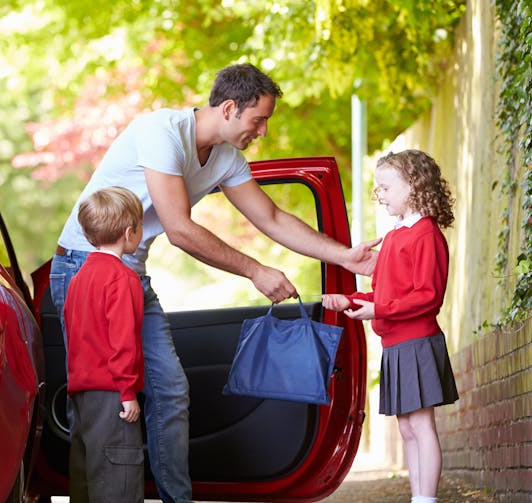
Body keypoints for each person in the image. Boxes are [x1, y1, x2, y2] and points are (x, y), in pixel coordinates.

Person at [51, 62, 380, 502]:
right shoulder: (161, 132)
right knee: (99, 400)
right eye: (258, 119)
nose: (262, 131)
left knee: (170, 390)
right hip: (84, 268)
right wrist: (255, 270)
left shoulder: (226, 159)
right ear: (228, 108)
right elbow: (179, 229)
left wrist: (345, 256)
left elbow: (272, 217)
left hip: (131, 273)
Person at [322, 149, 459, 503]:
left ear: (414, 186)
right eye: (378, 188)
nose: (379, 195)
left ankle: (426, 499)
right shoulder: (396, 235)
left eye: (385, 187)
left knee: (422, 425)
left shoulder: (425, 234)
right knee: (407, 427)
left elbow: (428, 296)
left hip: (418, 341)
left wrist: (377, 307)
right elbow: (385, 292)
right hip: (396, 344)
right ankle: (419, 496)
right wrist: (350, 300)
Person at [63, 186, 145, 503]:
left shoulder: (78, 279)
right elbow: (122, 340)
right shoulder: (123, 279)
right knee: (117, 480)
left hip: (81, 394)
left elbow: (75, 336)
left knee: (86, 478)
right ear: (129, 233)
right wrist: (128, 393)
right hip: (112, 395)